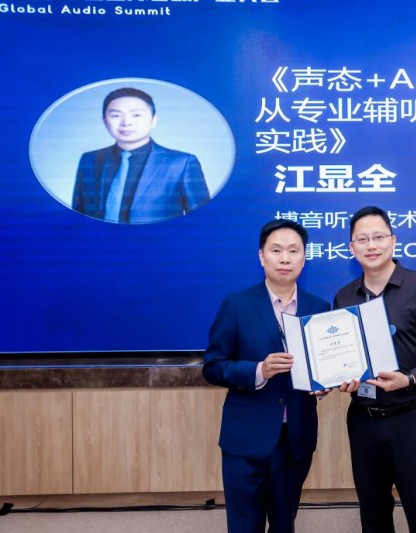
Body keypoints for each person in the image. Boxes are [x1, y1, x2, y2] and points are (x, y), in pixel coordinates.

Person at [335, 206, 416, 533]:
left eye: (378, 237)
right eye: (362, 239)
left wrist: (410, 378)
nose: (371, 245)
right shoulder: (344, 298)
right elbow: (340, 358)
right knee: (373, 512)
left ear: (393, 240)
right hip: (363, 419)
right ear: (351, 247)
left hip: (414, 418)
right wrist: (338, 379)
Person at [203, 219, 330, 533]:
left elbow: (323, 366)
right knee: (244, 525)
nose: (285, 258)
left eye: (293, 251)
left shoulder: (319, 307)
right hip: (245, 438)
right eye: (276, 250)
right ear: (262, 256)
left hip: (295, 438)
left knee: (284, 524)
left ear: (304, 257)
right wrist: (259, 370)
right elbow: (213, 366)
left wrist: (324, 384)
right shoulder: (237, 305)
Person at [72, 87, 210, 224]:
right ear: (105, 121)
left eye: (136, 115)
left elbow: (201, 220)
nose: (126, 123)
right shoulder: (89, 160)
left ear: (153, 120)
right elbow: (78, 216)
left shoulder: (181, 164)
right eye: (116, 116)